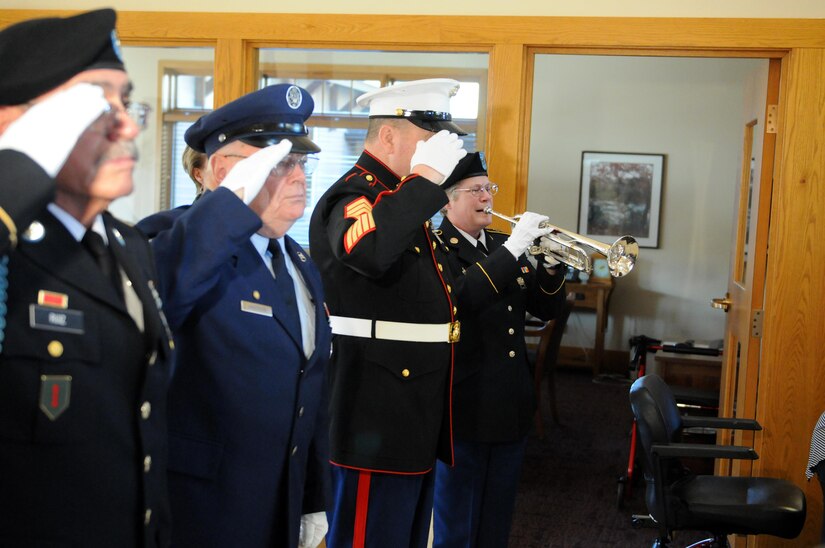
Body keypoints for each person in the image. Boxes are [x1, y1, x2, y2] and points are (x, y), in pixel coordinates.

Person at [0, 9, 174, 547]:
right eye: (96, 104)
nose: (127, 125)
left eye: (126, 102)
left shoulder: (128, 245)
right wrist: (14, 172)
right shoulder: (12, 243)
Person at [136, 84, 331, 548]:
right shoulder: (171, 239)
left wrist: (311, 496)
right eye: (281, 161)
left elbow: (311, 385)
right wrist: (231, 205)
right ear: (223, 169)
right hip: (202, 505)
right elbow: (161, 297)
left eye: (302, 162)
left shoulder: (299, 261)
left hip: (277, 501)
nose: (299, 176)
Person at [308, 78, 468, 548]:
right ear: (389, 137)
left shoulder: (403, 199)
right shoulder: (355, 195)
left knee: (405, 534)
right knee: (368, 535)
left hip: (412, 402)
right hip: (373, 405)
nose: (437, 154)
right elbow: (370, 251)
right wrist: (423, 184)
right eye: (426, 140)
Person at [432, 152, 567, 547]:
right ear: (447, 200)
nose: (487, 198)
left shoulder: (503, 244)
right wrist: (516, 248)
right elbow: (461, 297)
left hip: (510, 400)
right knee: (457, 521)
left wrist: (553, 268)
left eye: (488, 189)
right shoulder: (438, 248)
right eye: (475, 191)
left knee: (497, 518)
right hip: (465, 403)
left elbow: (545, 310)